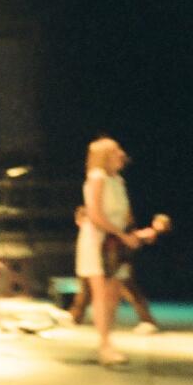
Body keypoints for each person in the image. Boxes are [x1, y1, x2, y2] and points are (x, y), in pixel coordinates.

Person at [75, 137, 140, 365]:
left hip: (115, 240)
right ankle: (104, 346)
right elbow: (94, 214)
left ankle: (108, 341)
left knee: (113, 294)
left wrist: (132, 234)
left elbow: (125, 214)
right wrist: (121, 235)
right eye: (115, 151)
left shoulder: (118, 180)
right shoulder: (97, 177)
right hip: (98, 240)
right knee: (101, 294)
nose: (121, 154)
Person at [68, 205, 160, 334]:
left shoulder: (107, 224)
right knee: (85, 290)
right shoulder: (92, 230)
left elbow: (125, 235)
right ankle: (75, 317)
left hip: (117, 260)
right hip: (100, 262)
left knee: (129, 289)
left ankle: (148, 321)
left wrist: (141, 236)